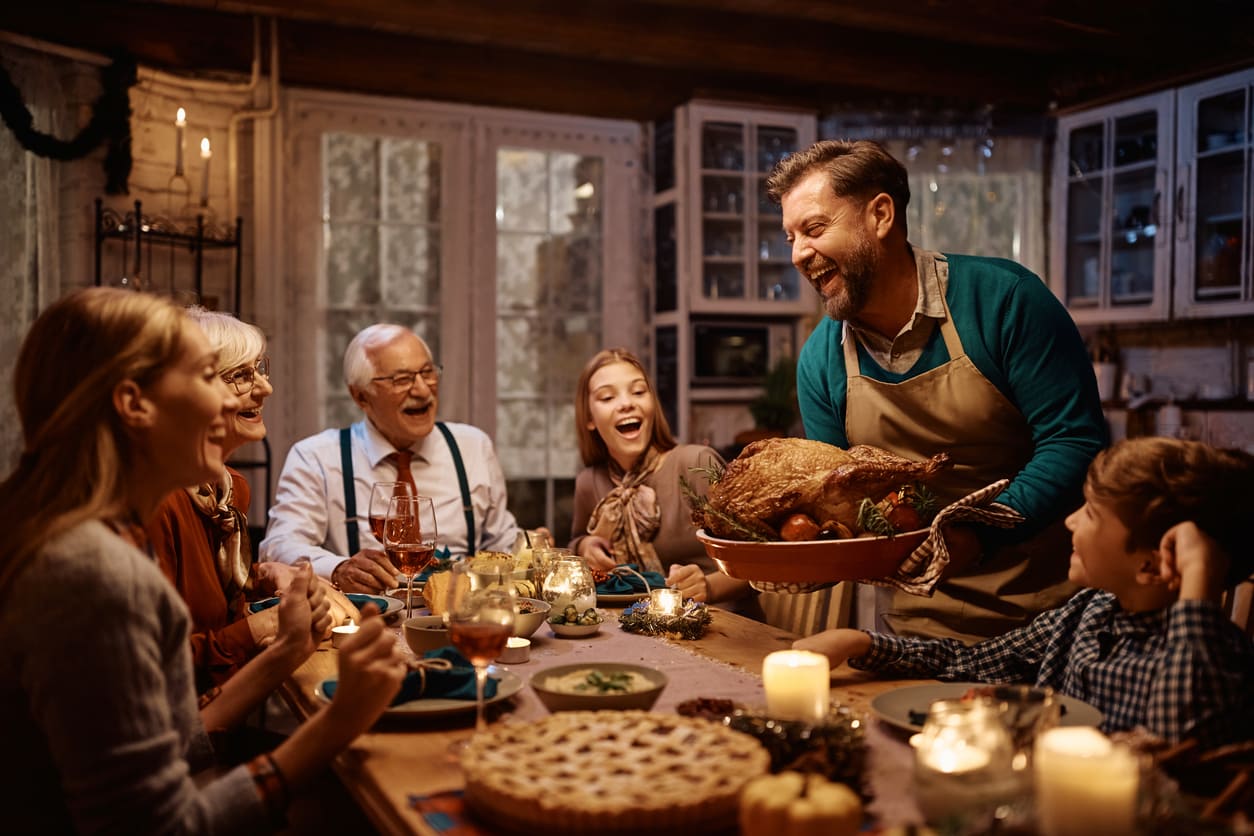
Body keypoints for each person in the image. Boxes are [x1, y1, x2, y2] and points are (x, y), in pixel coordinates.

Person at [0, 287, 405, 833]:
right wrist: (340, 721)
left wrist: (287, 649)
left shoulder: (102, 531)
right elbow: (165, 825)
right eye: (207, 376)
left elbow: (178, 738)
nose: (232, 400)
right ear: (133, 404)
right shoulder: (91, 572)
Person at [766, 139, 1107, 641]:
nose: (798, 254)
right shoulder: (822, 359)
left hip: (1050, 617)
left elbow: (1074, 442)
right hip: (913, 626)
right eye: (790, 237)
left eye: (814, 229)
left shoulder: (1003, 301)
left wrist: (974, 535)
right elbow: (836, 499)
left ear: (881, 215)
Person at [795, 438, 1254, 750]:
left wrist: (1198, 580)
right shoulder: (1089, 612)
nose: (1071, 522)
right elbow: (975, 663)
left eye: (1091, 514)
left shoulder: (1212, 658)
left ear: (1151, 564)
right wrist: (865, 644)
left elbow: (1174, 748)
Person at [260, 323, 525, 593]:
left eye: (427, 373)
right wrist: (338, 568)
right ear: (361, 396)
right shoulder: (315, 457)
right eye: (402, 380)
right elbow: (278, 546)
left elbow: (502, 539)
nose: (423, 391)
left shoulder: (473, 446)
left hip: (461, 619)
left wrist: (529, 546)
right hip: (367, 624)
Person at [569, 348, 755, 610]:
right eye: (608, 397)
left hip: (724, 628)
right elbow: (575, 543)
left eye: (638, 392)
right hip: (638, 630)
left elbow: (761, 564)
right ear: (589, 418)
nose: (626, 403)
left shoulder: (696, 464)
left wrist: (709, 586)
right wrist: (585, 545)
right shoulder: (589, 482)